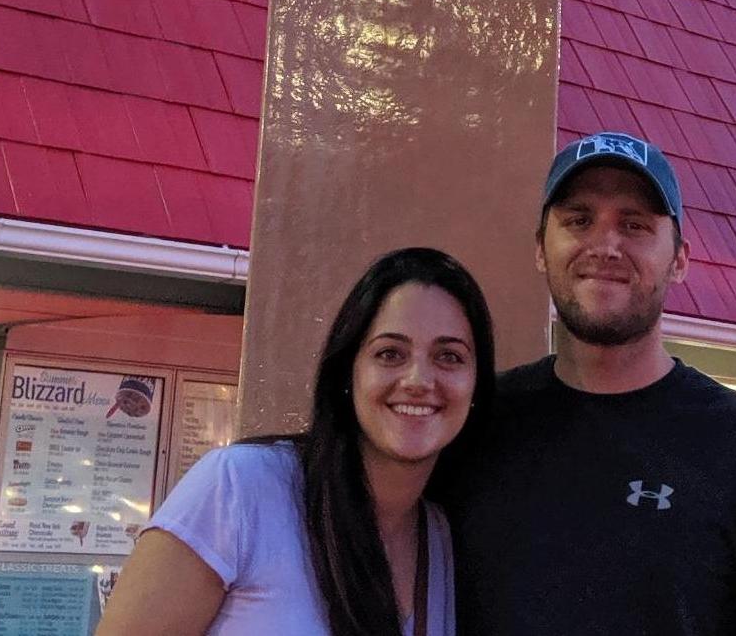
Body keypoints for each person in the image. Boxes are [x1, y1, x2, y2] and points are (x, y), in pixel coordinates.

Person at [442, 131, 736, 636]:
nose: (606, 245)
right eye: (578, 220)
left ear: (679, 259)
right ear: (540, 250)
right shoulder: (475, 425)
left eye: (634, 224)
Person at [98, 247, 493, 636]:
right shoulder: (241, 488)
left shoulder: (437, 537)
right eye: (390, 353)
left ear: (476, 386)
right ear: (346, 373)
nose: (419, 381)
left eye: (450, 356)